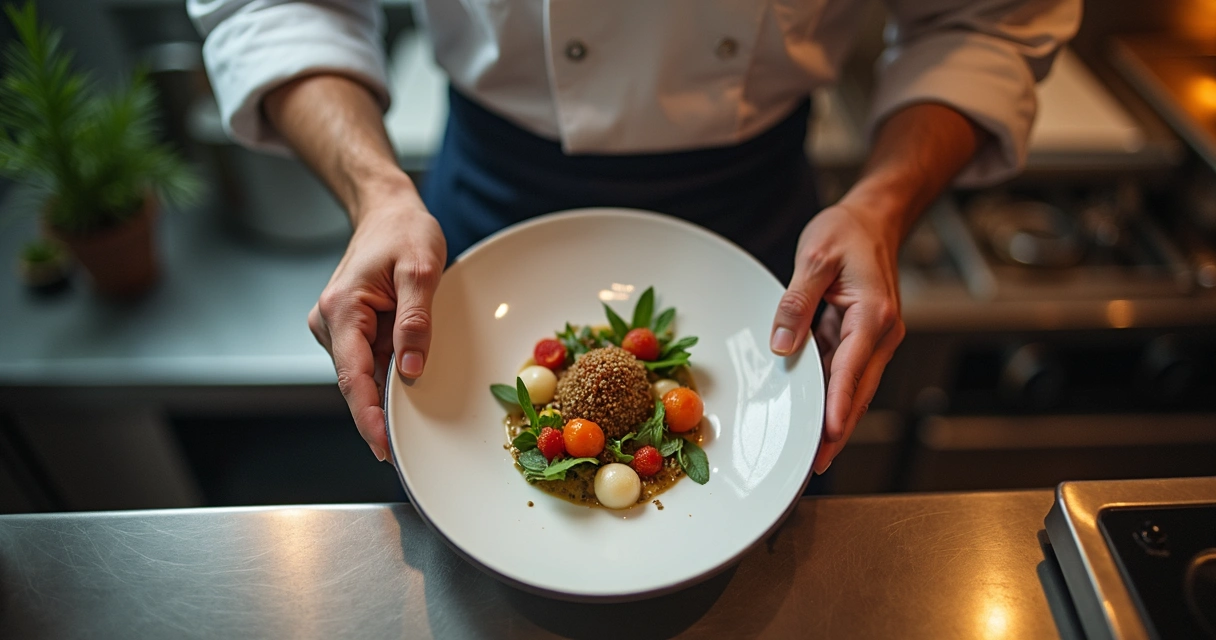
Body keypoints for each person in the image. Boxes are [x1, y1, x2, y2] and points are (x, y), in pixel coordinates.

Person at [188, 0, 1080, 476]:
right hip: (472, 224)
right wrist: (376, 191)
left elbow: (986, 20)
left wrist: (883, 205)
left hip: (773, 239)